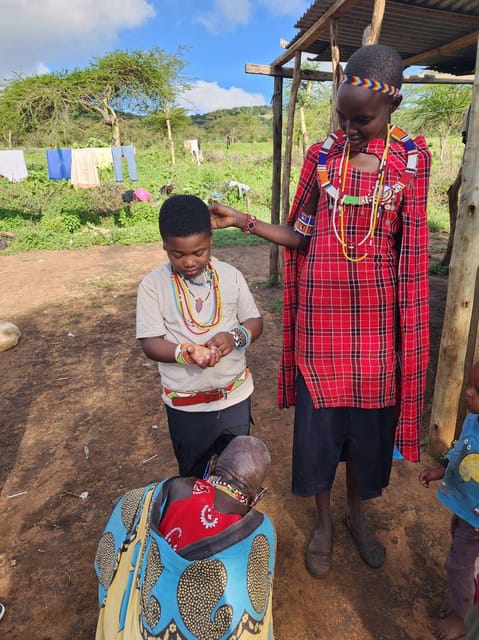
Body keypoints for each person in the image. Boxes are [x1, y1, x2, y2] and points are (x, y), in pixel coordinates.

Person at [210, 44, 431, 577]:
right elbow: (301, 233)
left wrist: (407, 336)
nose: (351, 127)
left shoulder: (410, 164)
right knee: (320, 435)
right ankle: (325, 521)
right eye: (343, 115)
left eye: (364, 118)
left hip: (376, 336)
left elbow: (413, 254)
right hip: (321, 333)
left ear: (393, 104)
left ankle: (357, 516)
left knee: (364, 435)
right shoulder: (322, 157)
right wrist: (244, 220)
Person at [94, 435, 276, 640]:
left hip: (137, 629)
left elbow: (122, 512)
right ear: (258, 496)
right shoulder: (262, 531)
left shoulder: (165, 491)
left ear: (213, 462)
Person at [137, 194, 263, 478]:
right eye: (177, 255)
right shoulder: (153, 286)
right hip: (186, 407)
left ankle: (230, 523)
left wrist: (236, 337)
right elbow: (150, 343)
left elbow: (255, 321)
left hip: (234, 400)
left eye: (199, 252)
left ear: (210, 242)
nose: (190, 262)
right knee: (194, 481)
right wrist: (186, 352)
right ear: (165, 248)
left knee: (237, 476)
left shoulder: (230, 276)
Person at [419, 360, 479, 640]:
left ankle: (462, 618)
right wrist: (441, 468)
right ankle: (461, 598)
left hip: (476, 520)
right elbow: (460, 449)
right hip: (465, 508)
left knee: (459, 564)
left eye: (477, 390)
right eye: (469, 384)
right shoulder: (473, 419)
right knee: (460, 554)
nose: (468, 393)